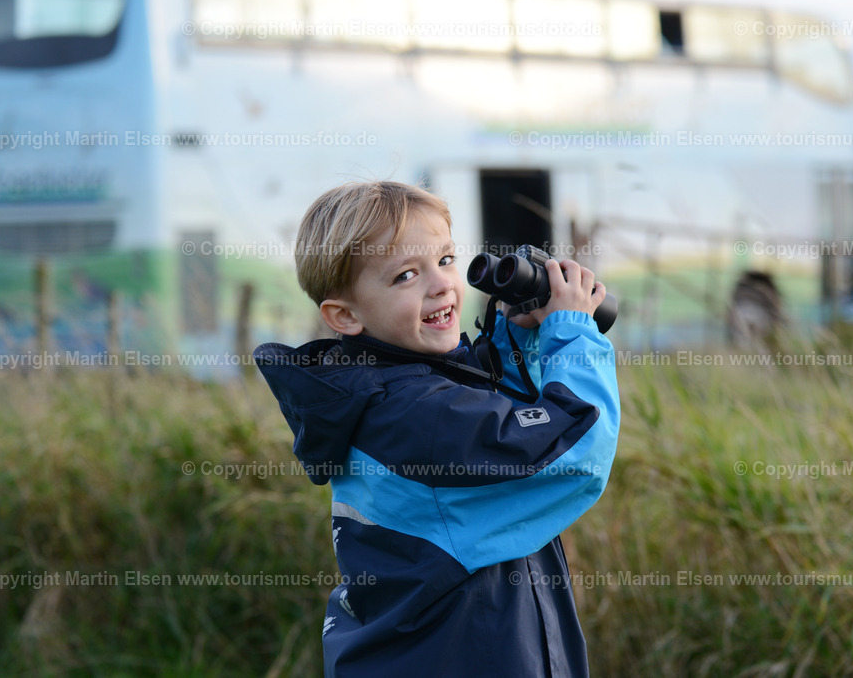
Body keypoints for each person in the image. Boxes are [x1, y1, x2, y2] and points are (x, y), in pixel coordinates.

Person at [254, 181, 620, 677]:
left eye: (445, 259)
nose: (441, 284)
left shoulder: (378, 398)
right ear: (345, 315)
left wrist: (515, 340)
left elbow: (493, 418)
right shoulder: (416, 419)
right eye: (406, 275)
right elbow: (574, 451)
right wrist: (572, 333)